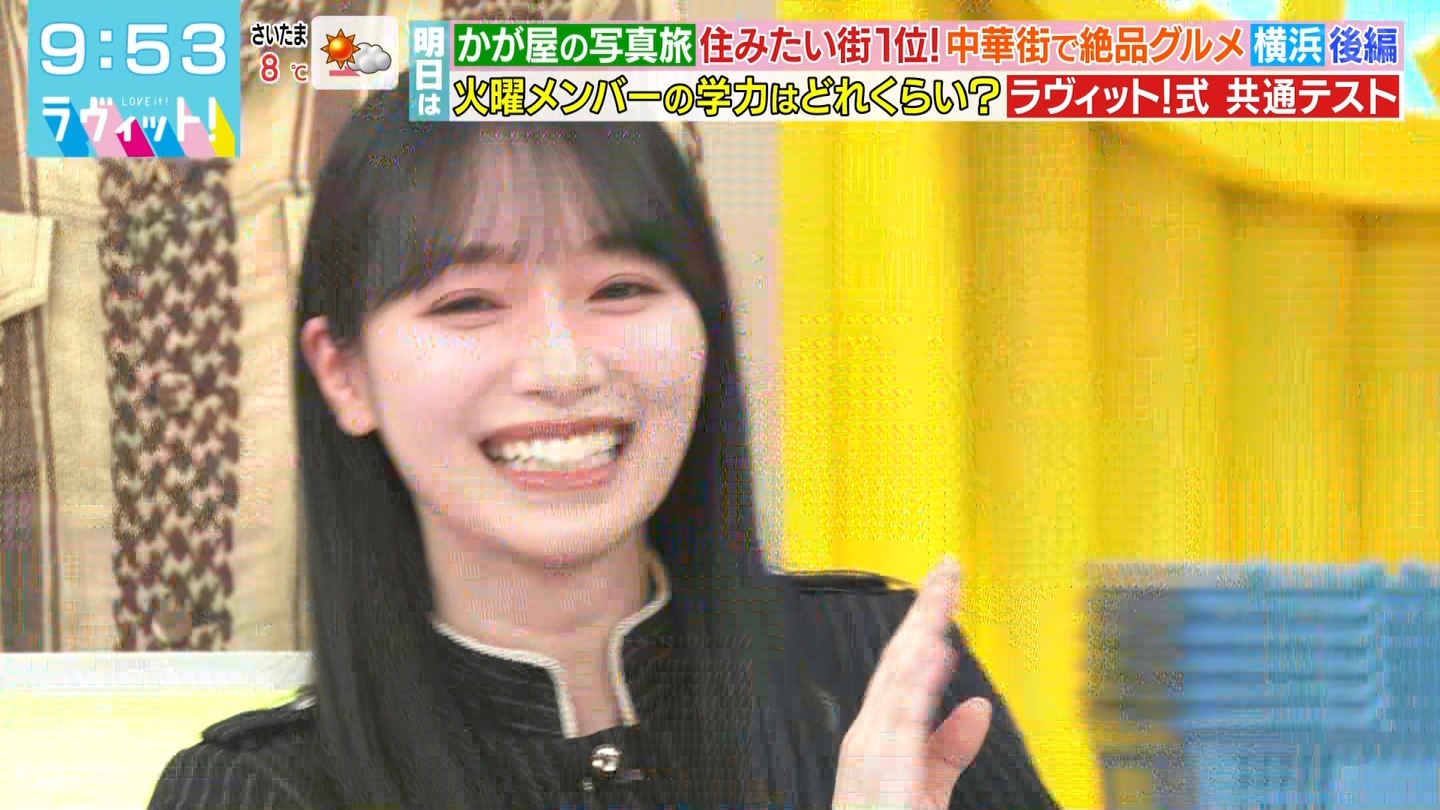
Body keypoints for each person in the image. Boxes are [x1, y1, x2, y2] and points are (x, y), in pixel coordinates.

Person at [147, 78, 1061, 810]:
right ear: (344, 374)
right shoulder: (257, 790)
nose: (564, 367)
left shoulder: (879, 673)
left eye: (621, 289)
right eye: (469, 303)